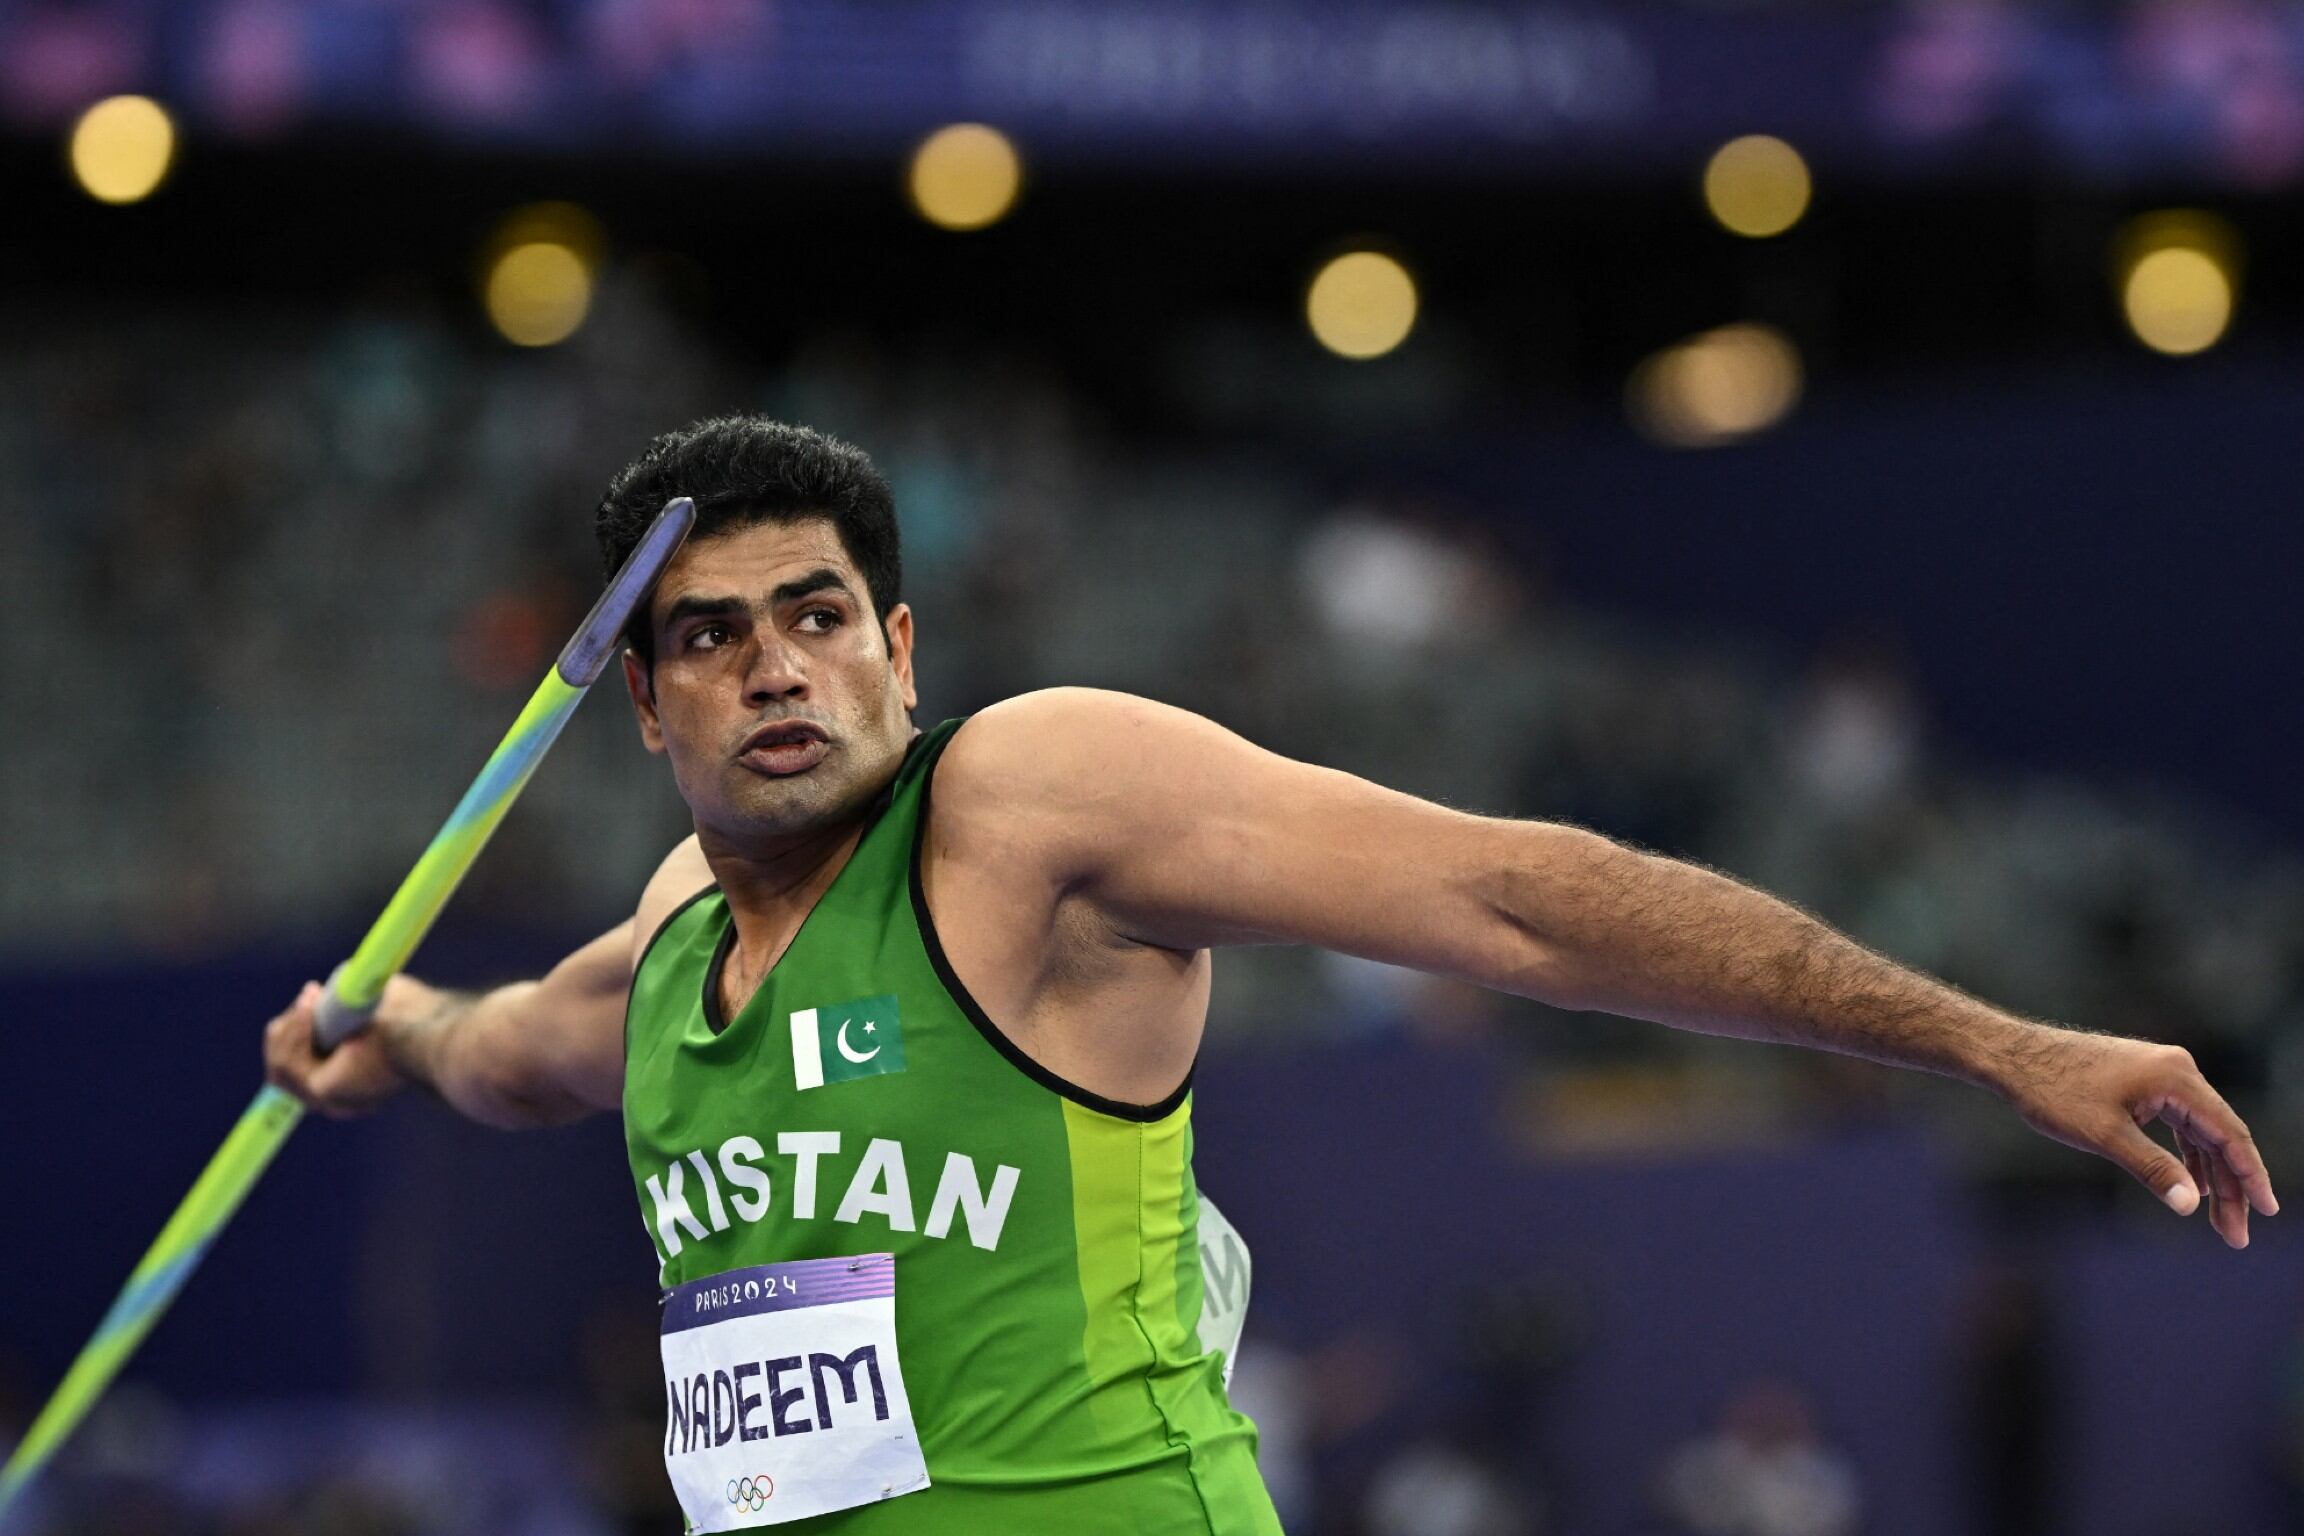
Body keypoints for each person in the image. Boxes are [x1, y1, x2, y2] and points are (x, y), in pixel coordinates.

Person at [263, 416, 2276, 1535]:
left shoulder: (1024, 811)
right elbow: (530, 1050)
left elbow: (1518, 897)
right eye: (711, 634)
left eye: (820, 615)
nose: (777, 663)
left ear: (901, 645)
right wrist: (392, 1031)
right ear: (639, 702)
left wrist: (1988, 1040)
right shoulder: (678, 945)